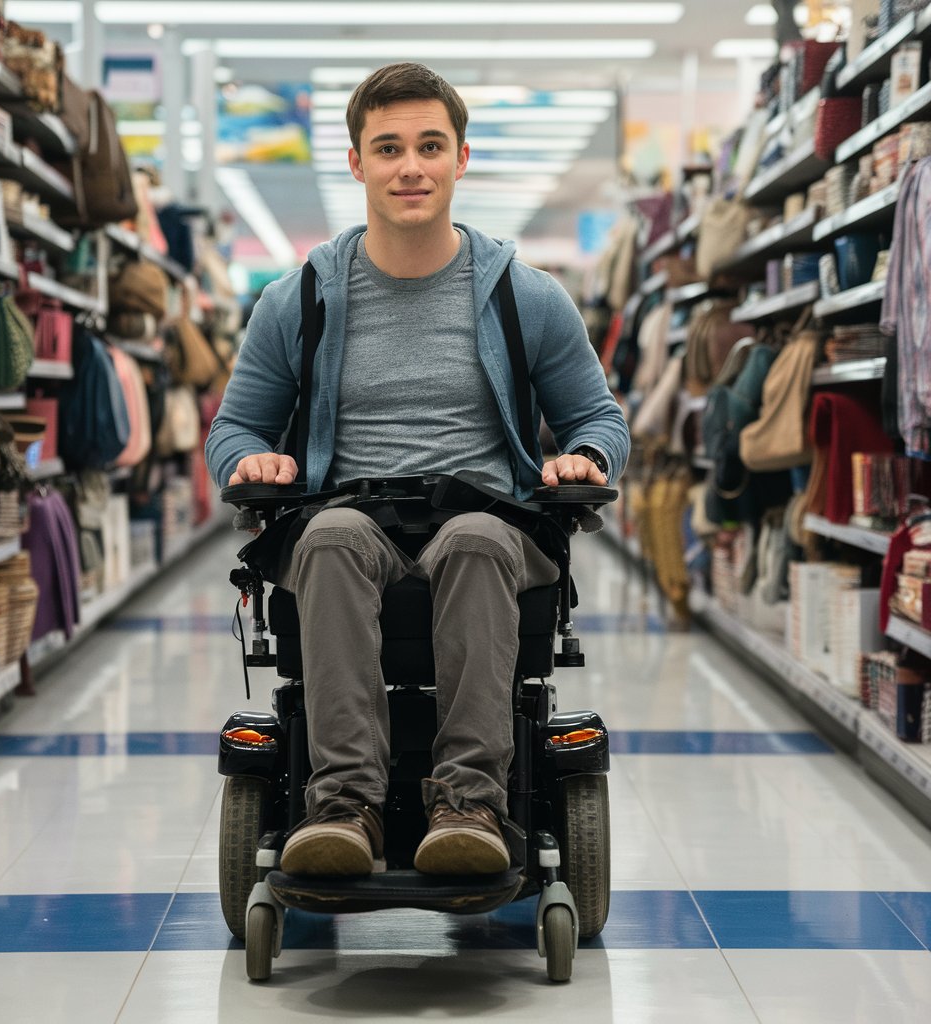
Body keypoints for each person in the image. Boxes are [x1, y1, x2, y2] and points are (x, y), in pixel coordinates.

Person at [205, 63, 630, 878]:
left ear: (460, 159)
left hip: (490, 521)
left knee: (475, 539)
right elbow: (235, 427)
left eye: (430, 146)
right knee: (326, 537)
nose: (411, 167)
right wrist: (248, 458)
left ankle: (469, 805)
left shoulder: (525, 295)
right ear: (357, 162)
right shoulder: (300, 298)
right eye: (389, 147)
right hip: (347, 518)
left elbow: (598, 419)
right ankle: (341, 807)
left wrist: (588, 456)